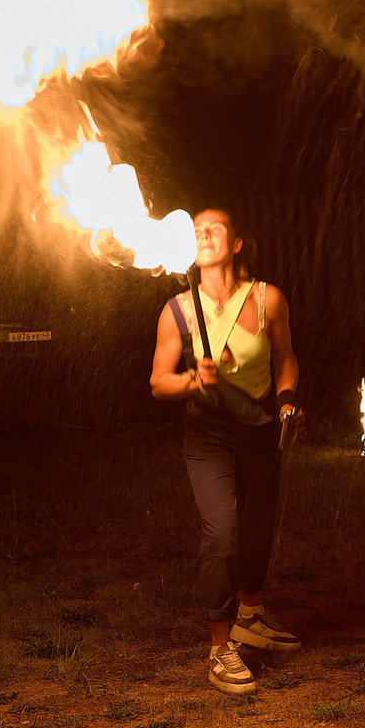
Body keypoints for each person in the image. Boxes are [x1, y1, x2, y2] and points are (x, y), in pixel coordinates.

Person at [148, 208, 304, 695]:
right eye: (196, 230)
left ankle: (250, 616)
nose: (204, 234)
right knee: (223, 530)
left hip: (259, 427)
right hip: (208, 433)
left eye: (215, 227)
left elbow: (285, 356)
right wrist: (194, 379)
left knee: (259, 525)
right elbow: (158, 382)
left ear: (236, 242)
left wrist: (285, 403)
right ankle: (220, 648)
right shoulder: (178, 309)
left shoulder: (267, 298)